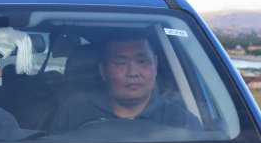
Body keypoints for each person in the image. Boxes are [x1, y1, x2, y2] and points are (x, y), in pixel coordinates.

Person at [50, 31, 201, 133]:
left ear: (155, 66)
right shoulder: (73, 112)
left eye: (141, 61)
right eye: (121, 63)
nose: (133, 72)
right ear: (103, 71)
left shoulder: (181, 122)